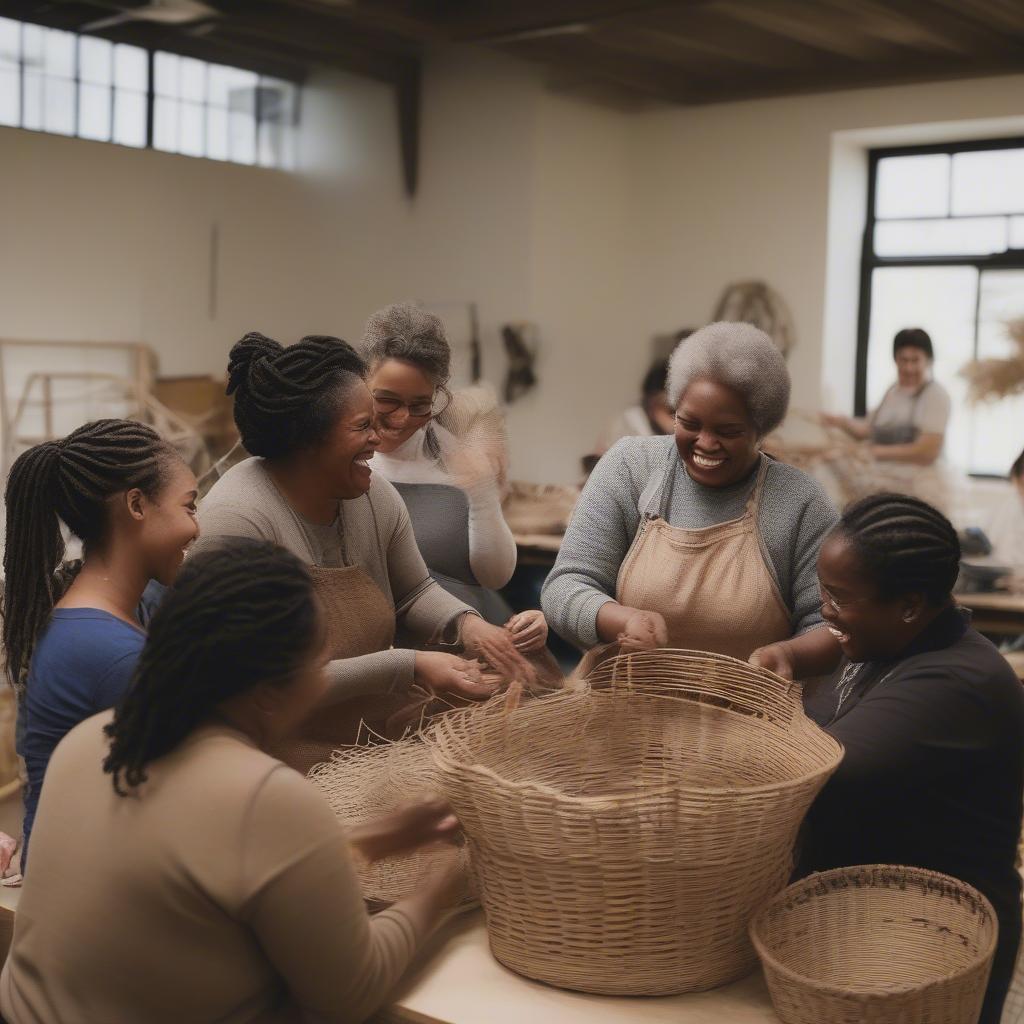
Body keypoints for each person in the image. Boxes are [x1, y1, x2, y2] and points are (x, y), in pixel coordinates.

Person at [0, 540, 466, 1023]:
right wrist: (442, 890)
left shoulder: (90, 740)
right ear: (267, 693)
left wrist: (373, 839)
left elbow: (208, 863)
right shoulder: (266, 797)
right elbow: (349, 994)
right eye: (317, 663)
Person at [198, 333, 528, 767]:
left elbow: (413, 591)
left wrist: (467, 627)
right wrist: (408, 665)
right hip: (269, 754)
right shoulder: (237, 521)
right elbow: (264, 685)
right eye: (362, 426)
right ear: (306, 439)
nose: (380, 437)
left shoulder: (374, 497)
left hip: (365, 736)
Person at [760, 493, 1023, 1024]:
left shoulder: (959, 681)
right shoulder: (887, 642)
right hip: (866, 925)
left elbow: (818, 770)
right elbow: (830, 647)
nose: (825, 609)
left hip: (930, 948)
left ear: (908, 605)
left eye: (838, 597)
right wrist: (788, 654)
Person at [543, 321, 840, 672]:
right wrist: (620, 621)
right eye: (689, 424)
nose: (706, 443)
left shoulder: (799, 502)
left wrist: (789, 656)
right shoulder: (629, 467)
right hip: (623, 708)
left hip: (750, 716)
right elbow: (564, 586)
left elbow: (831, 624)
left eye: (727, 431)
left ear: (761, 428)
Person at [2, 419, 198, 870]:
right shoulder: (114, 654)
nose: (197, 528)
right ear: (136, 505)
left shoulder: (95, 616)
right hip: (88, 889)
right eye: (189, 507)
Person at [362, 302, 545, 648]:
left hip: (467, 647)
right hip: (381, 652)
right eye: (386, 401)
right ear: (361, 382)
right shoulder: (345, 462)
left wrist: (482, 492)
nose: (402, 418)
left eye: (419, 405)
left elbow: (495, 576)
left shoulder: (456, 458)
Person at [822, 327, 951, 466]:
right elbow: (870, 430)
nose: (908, 368)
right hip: (884, 470)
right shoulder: (892, 391)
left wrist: (875, 451)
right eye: (903, 360)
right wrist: (841, 422)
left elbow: (928, 451)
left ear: (928, 360)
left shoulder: (935, 395)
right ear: (895, 360)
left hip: (919, 479)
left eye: (915, 360)